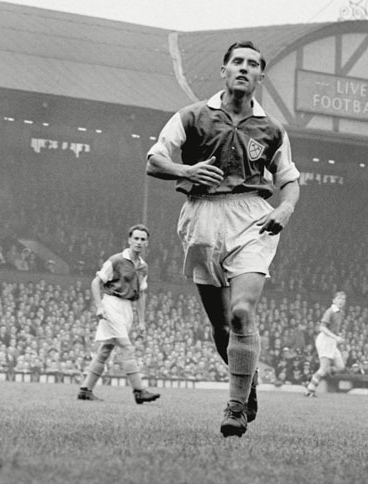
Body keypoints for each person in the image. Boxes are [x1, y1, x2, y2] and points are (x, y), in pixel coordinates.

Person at [146, 40, 300, 437]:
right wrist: (188, 171)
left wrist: (284, 209)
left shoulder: (272, 129)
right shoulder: (192, 116)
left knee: (241, 313)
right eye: (237, 62)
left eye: (252, 64)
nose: (244, 68)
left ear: (261, 76)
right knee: (220, 326)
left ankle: (234, 407)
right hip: (202, 216)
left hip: (251, 216)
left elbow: (289, 180)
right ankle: (246, 387)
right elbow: (154, 160)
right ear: (224, 70)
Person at [77, 224, 160, 404]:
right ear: (129, 240)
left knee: (106, 349)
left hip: (127, 308)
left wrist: (142, 321)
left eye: (142, 239)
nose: (139, 242)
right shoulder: (116, 260)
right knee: (126, 347)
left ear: (147, 243)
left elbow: (142, 293)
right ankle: (139, 391)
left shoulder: (143, 267)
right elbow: (96, 282)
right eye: (136, 238)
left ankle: (85, 390)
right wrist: (99, 306)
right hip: (111, 304)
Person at [305, 291, 347, 397]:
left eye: (343, 299)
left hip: (332, 341)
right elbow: (322, 327)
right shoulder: (330, 311)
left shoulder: (341, 313)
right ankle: (310, 390)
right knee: (323, 369)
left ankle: (324, 371)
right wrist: (335, 337)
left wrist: (338, 335)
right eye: (339, 298)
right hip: (325, 340)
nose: (341, 301)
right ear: (334, 300)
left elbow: (334, 328)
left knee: (341, 367)